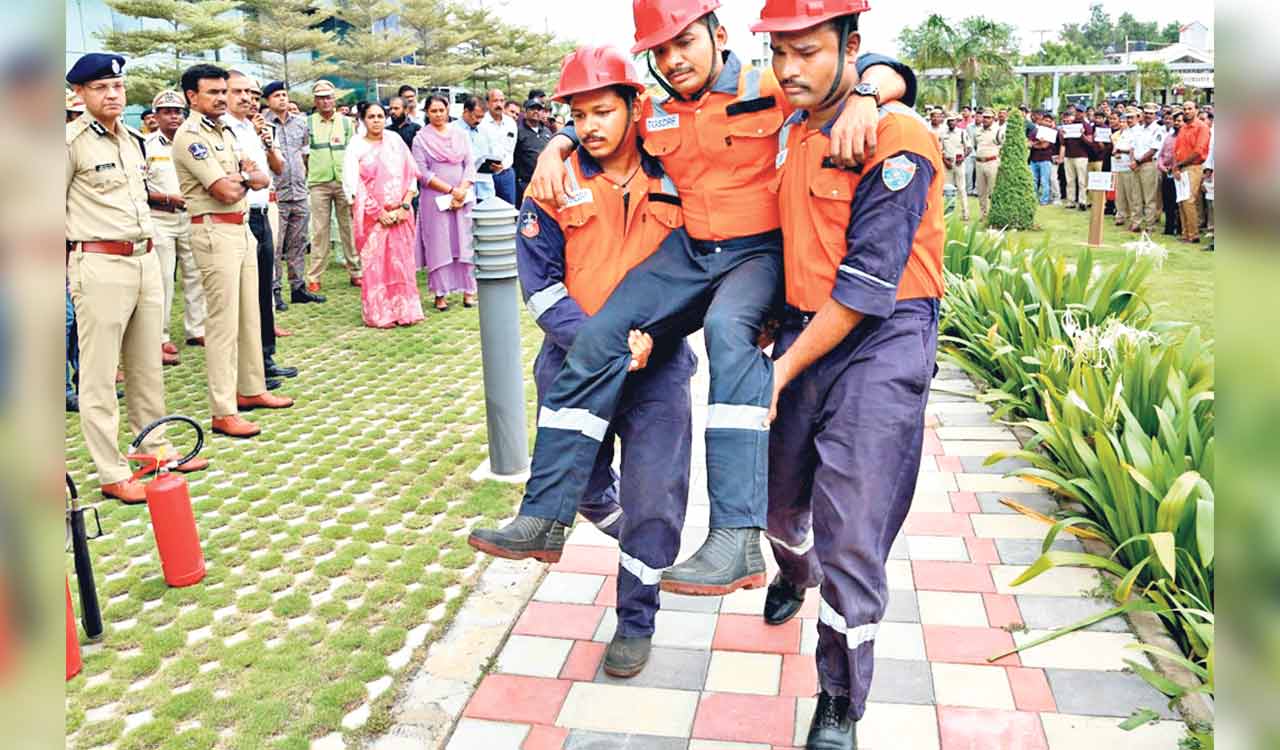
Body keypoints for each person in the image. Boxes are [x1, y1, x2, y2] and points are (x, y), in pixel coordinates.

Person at [472, 0, 914, 596]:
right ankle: (544, 515)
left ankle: (735, 538)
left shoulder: (771, 84)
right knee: (598, 334)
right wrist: (557, 144)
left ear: (720, 35)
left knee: (729, 336)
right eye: (660, 50)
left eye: (685, 42)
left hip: (757, 254)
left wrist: (865, 94)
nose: (673, 59)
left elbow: (879, 71)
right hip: (690, 250)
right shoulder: (652, 112)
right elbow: (598, 118)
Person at [755, 3, 943, 746]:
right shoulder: (793, 125)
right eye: (780, 53)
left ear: (850, 48)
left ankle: (840, 697)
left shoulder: (897, 137)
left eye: (808, 50)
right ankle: (791, 573)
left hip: (886, 335)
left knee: (852, 533)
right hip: (806, 327)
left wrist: (779, 371)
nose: (791, 68)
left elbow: (867, 286)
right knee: (774, 505)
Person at [478, 46, 698, 679]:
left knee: (655, 499)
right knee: (585, 488)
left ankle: (636, 621)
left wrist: (655, 333)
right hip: (573, 364)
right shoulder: (554, 180)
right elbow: (540, 285)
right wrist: (599, 341)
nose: (593, 124)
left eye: (605, 109)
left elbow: (699, 275)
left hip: (658, 367)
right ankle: (603, 519)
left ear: (636, 108)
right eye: (579, 113)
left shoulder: (676, 177)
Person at [65, 53, 209, 502]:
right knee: (100, 375)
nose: (112, 94)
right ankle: (111, 471)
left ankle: (155, 450)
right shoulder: (68, 142)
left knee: (147, 366)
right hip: (100, 262)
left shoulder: (132, 139)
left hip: (144, 258)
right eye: (100, 88)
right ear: (79, 94)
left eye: (117, 86)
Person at [172, 63, 294, 438]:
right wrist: (244, 177)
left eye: (224, 92)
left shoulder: (224, 130)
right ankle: (223, 410)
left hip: (240, 228)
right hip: (213, 232)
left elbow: (262, 178)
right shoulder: (190, 135)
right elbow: (224, 190)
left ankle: (251, 388)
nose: (223, 99)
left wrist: (242, 178)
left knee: (249, 317)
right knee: (223, 325)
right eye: (214, 93)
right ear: (192, 96)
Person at [223, 71, 298, 388]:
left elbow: (277, 170)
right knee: (246, 294)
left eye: (253, 94)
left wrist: (267, 144)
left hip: (263, 211)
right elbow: (242, 176)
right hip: (240, 214)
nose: (248, 99)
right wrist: (253, 175)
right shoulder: (224, 130)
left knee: (263, 289)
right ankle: (249, 367)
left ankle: (265, 358)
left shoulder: (253, 130)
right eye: (239, 91)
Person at [343, 101, 425, 328]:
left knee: (401, 264)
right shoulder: (356, 146)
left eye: (380, 116)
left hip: (400, 214)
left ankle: (405, 310)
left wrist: (405, 206)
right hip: (373, 219)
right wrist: (378, 213)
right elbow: (353, 185)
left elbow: (411, 175)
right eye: (371, 116)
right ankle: (380, 313)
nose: (376, 120)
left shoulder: (395, 141)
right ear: (363, 119)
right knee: (376, 265)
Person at [145, 90, 208, 366]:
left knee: (195, 275)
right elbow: (139, 187)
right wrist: (168, 198)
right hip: (161, 219)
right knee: (162, 281)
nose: (174, 116)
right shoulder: (146, 145)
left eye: (177, 111)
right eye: (167, 111)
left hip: (190, 217)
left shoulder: (190, 142)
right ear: (155, 116)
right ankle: (160, 336)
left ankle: (197, 329)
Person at [413, 95, 479, 311]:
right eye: (433, 111)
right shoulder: (420, 139)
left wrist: (462, 189)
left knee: (465, 240)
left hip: (464, 195)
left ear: (448, 109)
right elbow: (422, 173)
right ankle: (441, 294)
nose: (438, 114)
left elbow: (470, 163)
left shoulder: (461, 135)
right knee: (440, 244)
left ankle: (469, 291)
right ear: (427, 113)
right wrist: (451, 191)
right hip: (436, 199)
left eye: (441, 110)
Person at [263, 80, 323, 308]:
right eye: (276, 95)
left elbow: (304, 154)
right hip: (275, 194)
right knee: (276, 247)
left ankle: (298, 288)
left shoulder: (300, 124)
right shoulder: (262, 125)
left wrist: (301, 176)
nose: (282, 99)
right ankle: (275, 291)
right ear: (268, 100)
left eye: (284, 95)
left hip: (299, 191)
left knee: (298, 243)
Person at [304, 79, 361, 291]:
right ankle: (314, 277)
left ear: (334, 99)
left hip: (343, 181)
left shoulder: (347, 123)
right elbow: (304, 154)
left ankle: (355, 271)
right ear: (315, 101)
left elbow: (354, 153)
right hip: (318, 182)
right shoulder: (308, 123)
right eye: (320, 98)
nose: (325, 101)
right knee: (319, 230)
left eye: (328, 97)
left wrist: (352, 182)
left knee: (348, 227)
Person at [1172, 99, 1210, 244]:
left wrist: (1180, 164)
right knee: (1181, 201)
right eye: (1185, 109)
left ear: (1196, 110)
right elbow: (1177, 150)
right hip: (1181, 167)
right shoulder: (1183, 128)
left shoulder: (1202, 127)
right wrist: (1176, 166)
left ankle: (1193, 234)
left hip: (1193, 167)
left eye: (1190, 109)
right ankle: (1185, 233)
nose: (1187, 111)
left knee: (1189, 200)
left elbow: (1198, 151)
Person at [1129, 103, 1166, 233]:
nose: (1148, 115)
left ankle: (1150, 225)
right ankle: (1136, 223)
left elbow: (1153, 149)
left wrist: (1138, 161)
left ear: (1155, 115)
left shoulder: (1158, 129)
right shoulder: (1139, 129)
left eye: (1151, 113)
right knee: (1136, 196)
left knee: (1149, 197)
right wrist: (1133, 160)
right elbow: (1132, 147)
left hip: (1149, 165)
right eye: (1146, 113)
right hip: (1136, 165)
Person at [478, 89, 518, 204]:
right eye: (495, 101)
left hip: (506, 172)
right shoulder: (481, 122)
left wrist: (503, 165)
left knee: (509, 209)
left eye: (501, 101)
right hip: (485, 173)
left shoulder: (511, 123)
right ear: (487, 103)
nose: (499, 104)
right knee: (486, 208)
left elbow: (511, 150)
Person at [453, 95, 496, 202]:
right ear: (466, 111)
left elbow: (491, 154)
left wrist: (496, 166)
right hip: (462, 188)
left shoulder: (486, 131)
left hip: (485, 187)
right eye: (477, 116)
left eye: (482, 117)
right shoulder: (452, 130)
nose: (479, 120)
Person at [513, 98, 552, 206]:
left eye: (539, 109)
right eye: (532, 108)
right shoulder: (517, 131)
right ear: (525, 112)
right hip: (525, 182)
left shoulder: (547, 131)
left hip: (544, 182)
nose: (536, 111)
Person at [936, 111, 971, 219]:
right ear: (947, 122)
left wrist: (963, 158)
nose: (951, 123)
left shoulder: (962, 133)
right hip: (947, 163)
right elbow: (940, 150)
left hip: (959, 163)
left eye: (953, 121)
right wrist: (945, 161)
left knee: (961, 189)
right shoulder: (943, 134)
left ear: (957, 122)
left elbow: (969, 148)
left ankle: (965, 213)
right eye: (949, 121)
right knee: (947, 189)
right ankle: (948, 213)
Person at [1057, 105, 1091, 210]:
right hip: (1069, 155)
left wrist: (1082, 135)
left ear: (1085, 113)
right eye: (1077, 112)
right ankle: (1070, 201)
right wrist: (1062, 135)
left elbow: (1090, 141)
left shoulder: (1086, 125)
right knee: (1070, 180)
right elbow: (1063, 143)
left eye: (1081, 112)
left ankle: (1082, 201)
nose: (1078, 114)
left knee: (1082, 181)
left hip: (1081, 156)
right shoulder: (1069, 125)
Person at [973, 108, 1002, 221]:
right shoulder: (977, 131)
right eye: (984, 117)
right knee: (981, 191)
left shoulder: (998, 131)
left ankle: (995, 213)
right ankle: (983, 214)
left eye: (988, 117)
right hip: (980, 162)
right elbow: (976, 146)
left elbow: (1002, 145)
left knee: (993, 190)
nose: (985, 119)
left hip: (992, 162)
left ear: (993, 119)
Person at [1111, 109, 1137, 227]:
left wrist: (1122, 151)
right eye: (1127, 118)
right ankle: (1120, 214)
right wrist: (1116, 152)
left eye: (1131, 118)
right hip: (1119, 165)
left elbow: (1134, 149)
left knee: (1130, 193)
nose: (1128, 120)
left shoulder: (1138, 132)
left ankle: (1133, 217)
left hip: (1129, 165)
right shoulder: (1124, 132)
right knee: (1119, 193)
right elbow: (1116, 147)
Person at [1158, 111, 1182, 236]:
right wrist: (1162, 166)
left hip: (1179, 171)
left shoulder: (1184, 137)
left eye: (1179, 121)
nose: (1177, 123)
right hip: (1166, 172)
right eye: (1175, 121)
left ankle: (1179, 228)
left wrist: (1174, 167)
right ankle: (1168, 228)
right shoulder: (1169, 137)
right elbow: (1161, 155)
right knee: (1167, 202)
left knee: (1178, 203)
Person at [1028, 112, 1056, 207]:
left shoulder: (1052, 132)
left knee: (1044, 181)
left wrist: (1035, 144)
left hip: (1045, 159)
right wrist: (1038, 142)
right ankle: (1033, 199)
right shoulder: (1035, 130)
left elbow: (1044, 145)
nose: (1047, 122)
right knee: (1033, 180)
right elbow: (1028, 143)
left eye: (1049, 121)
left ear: (1051, 122)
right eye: (1045, 120)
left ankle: (1044, 200)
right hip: (1033, 159)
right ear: (1042, 120)